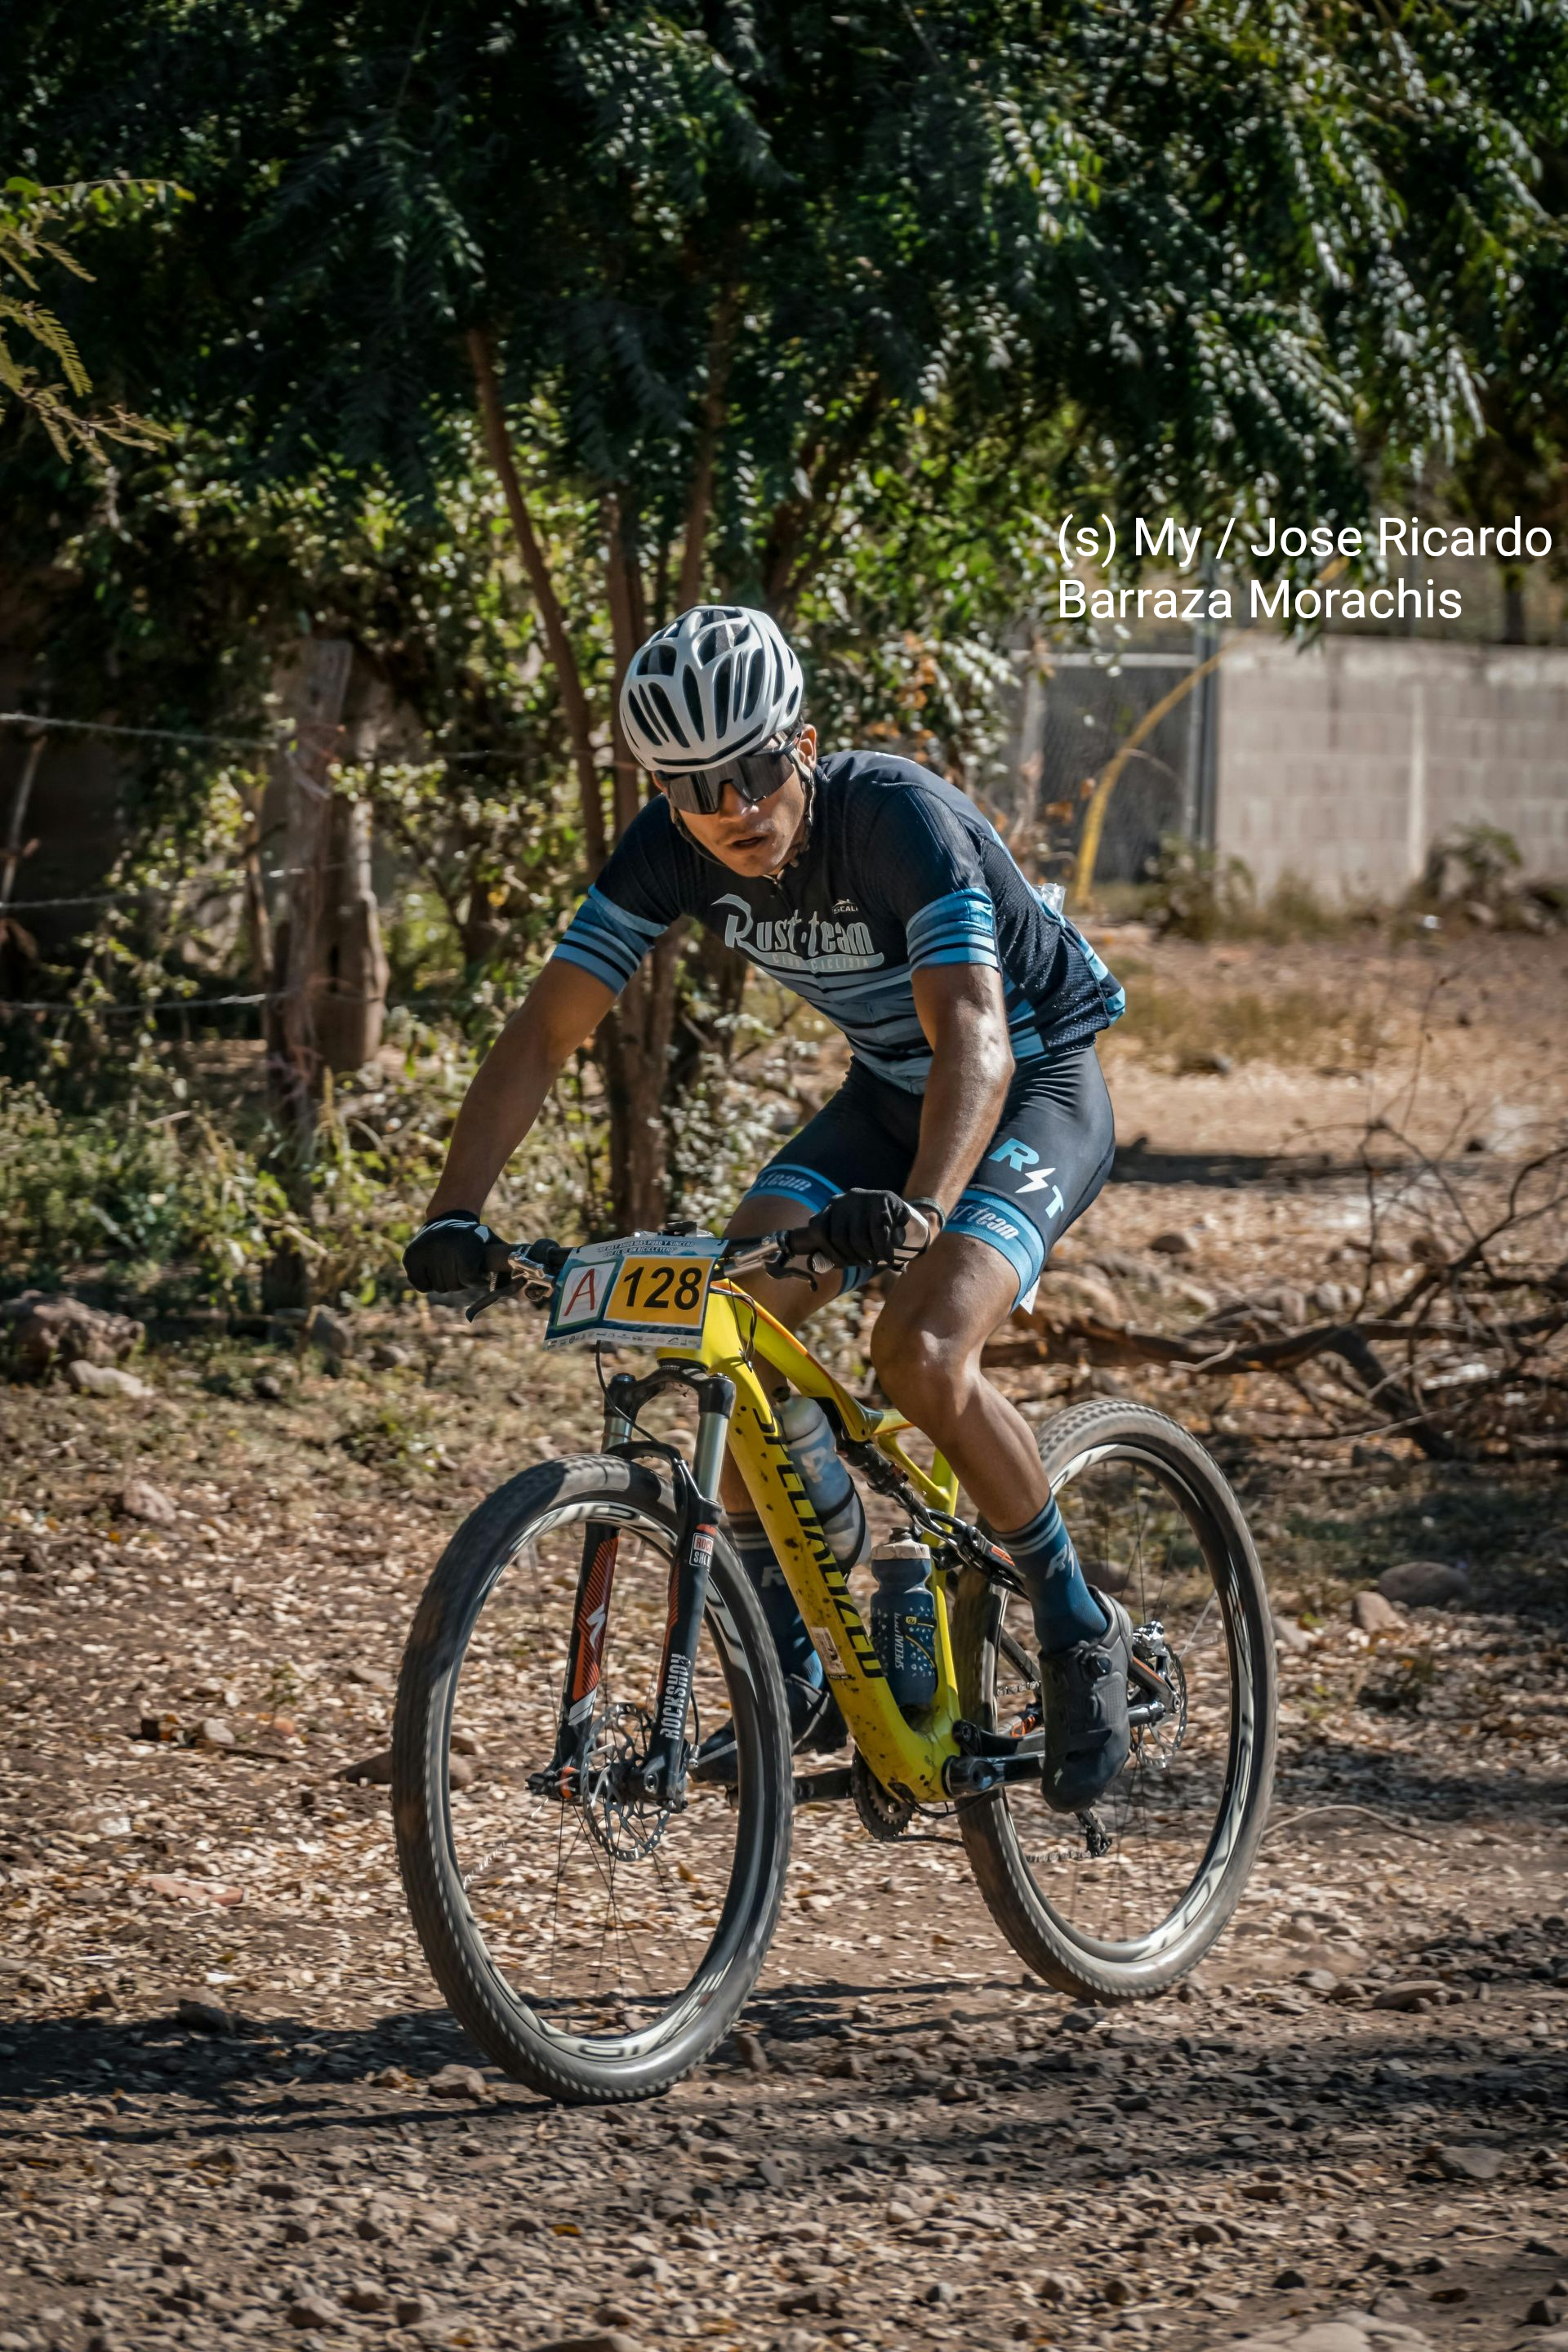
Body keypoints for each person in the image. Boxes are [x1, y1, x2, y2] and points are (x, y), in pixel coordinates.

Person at [403, 604, 1130, 1813]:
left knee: (922, 1349)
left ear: (798, 741)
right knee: (725, 1316)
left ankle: (1072, 1615)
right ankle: (802, 1647)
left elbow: (979, 1042)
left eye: (748, 769)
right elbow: (546, 1028)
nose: (730, 806)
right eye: (692, 788)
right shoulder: (673, 846)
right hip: (893, 1095)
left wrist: (917, 1212)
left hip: (1033, 1079)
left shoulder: (895, 816)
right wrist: (454, 1212)